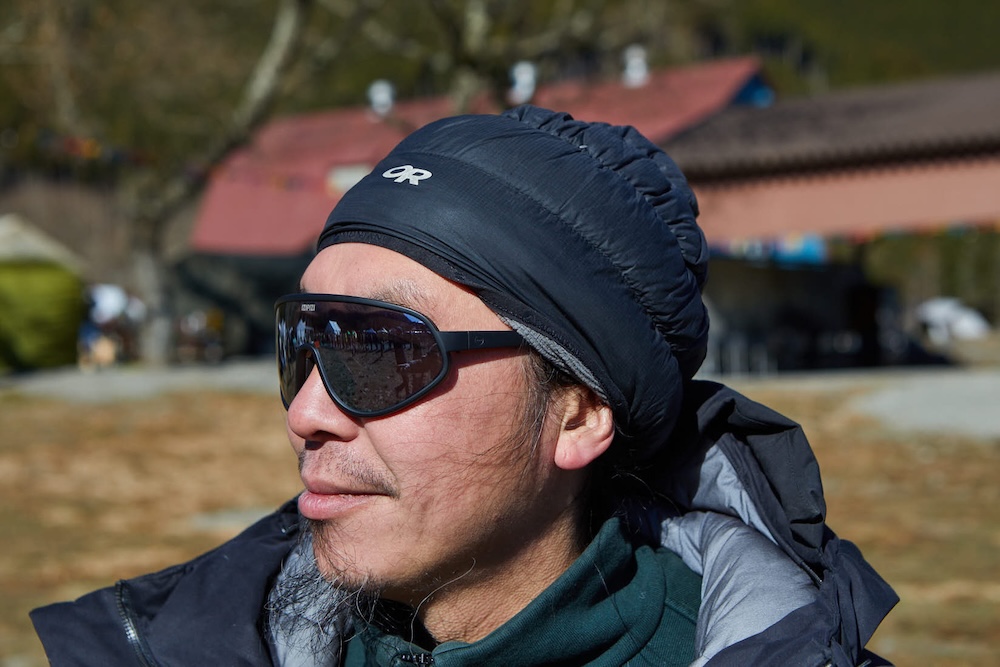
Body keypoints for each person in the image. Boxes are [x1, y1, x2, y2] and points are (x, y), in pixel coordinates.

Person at [31, 105, 897, 665]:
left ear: (579, 413)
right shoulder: (202, 641)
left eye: (379, 349)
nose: (306, 411)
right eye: (304, 343)